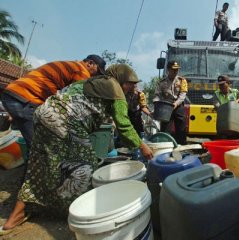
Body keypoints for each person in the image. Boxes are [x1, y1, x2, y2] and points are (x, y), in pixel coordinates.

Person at [0, 64, 154, 235]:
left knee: (38, 165)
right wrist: (143, 146)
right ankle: (84, 216)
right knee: (85, 166)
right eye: (130, 83)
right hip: (65, 122)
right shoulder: (115, 89)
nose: (133, 87)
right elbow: (124, 126)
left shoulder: (89, 81)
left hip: (43, 113)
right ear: (120, 79)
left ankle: (15, 216)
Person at [1, 54, 106, 150]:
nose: (96, 75)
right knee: (39, 147)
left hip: (15, 94)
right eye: (98, 71)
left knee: (40, 142)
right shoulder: (82, 71)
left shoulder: (70, 65)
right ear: (90, 63)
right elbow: (79, 99)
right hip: (24, 98)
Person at [153, 61, 187, 145]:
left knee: (181, 127)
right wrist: (156, 104)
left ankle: (181, 145)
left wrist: (176, 103)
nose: (176, 71)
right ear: (168, 69)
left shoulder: (182, 81)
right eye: (173, 69)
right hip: (166, 107)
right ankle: (164, 145)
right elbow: (157, 95)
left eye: (177, 70)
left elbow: (183, 94)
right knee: (165, 128)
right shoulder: (161, 82)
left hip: (178, 106)